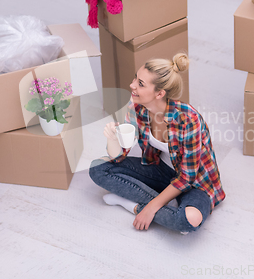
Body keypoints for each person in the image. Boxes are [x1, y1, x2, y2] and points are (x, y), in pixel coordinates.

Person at [89, 53, 225, 234]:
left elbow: (186, 178)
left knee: (189, 220)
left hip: (195, 183)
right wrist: (112, 139)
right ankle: (167, 209)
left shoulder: (188, 119)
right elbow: (119, 156)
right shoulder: (135, 107)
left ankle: (133, 205)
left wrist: (150, 208)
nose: (132, 86)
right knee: (98, 168)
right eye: (135, 79)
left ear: (160, 93)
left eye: (141, 84)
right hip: (160, 171)